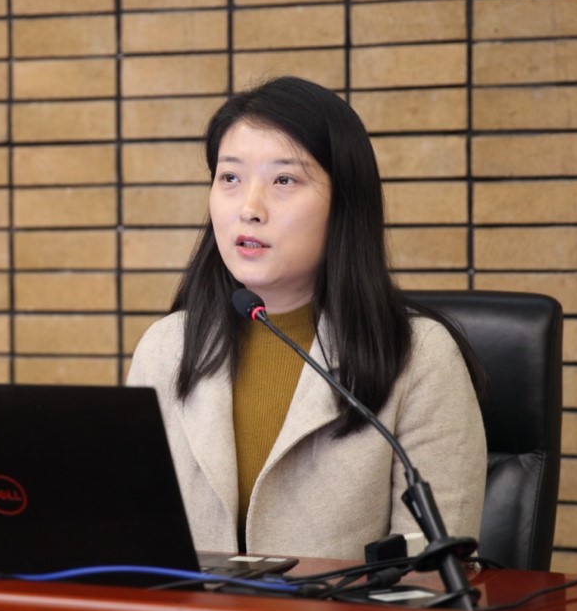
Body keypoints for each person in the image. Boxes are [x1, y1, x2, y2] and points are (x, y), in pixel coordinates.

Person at [126, 76, 486, 560]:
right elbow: (130, 541)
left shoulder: (418, 356)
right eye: (230, 178)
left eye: (284, 180)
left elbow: (433, 572)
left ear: (344, 202)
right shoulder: (166, 348)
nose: (249, 209)